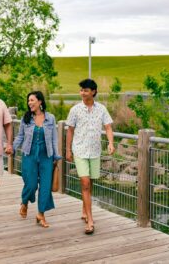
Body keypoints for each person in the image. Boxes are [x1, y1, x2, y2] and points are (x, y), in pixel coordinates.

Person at [65, 78, 115, 235]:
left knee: (90, 183)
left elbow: (108, 127)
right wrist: (68, 150)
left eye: (85, 90)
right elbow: (70, 130)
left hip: (95, 151)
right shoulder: (75, 110)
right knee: (85, 182)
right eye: (81, 90)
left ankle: (84, 209)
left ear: (93, 92)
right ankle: (90, 221)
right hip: (79, 150)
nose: (82, 92)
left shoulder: (102, 109)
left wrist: (111, 143)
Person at [13, 91, 62, 228]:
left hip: (46, 156)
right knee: (31, 184)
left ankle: (41, 214)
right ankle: (24, 202)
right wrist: (13, 148)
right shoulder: (26, 118)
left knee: (45, 186)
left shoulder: (50, 118)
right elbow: (20, 136)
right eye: (28, 101)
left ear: (40, 102)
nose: (29, 103)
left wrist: (56, 156)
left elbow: (54, 139)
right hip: (29, 154)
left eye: (32, 100)